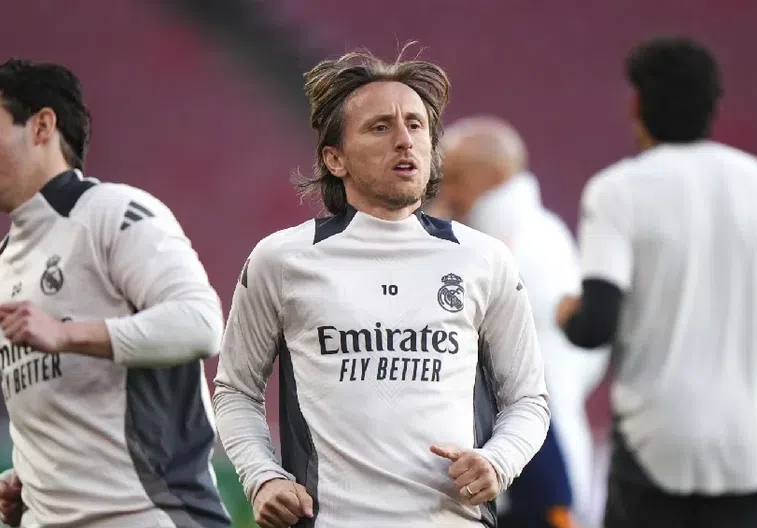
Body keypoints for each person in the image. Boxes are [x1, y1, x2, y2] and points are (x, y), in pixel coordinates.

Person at [212, 48, 551, 528]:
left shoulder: (484, 258)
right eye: (380, 127)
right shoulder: (282, 259)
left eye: (416, 125)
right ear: (335, 158)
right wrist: (262, 478)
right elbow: (235, 390)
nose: (404, 140)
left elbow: (529, 400)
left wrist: (499, 461)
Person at [556, 36, 757, 528]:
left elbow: (596, 325)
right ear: (713, 106)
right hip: (744, 445)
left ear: (637, 105)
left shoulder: (617, 190)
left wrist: (567, 316)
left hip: (654, 438)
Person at [0, 59, 231, 527]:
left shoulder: (113, 212)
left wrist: (66, 334)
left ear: (42, 126)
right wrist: (28, 477)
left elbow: (201, 324)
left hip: (148, 515)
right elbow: (71, 408)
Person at [435, 116, 609, 527]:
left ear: (493, 176)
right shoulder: (544, 235)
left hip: (534, 467)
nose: (445, 193)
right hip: (522, 461)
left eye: (455, 178)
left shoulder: (512, 248)